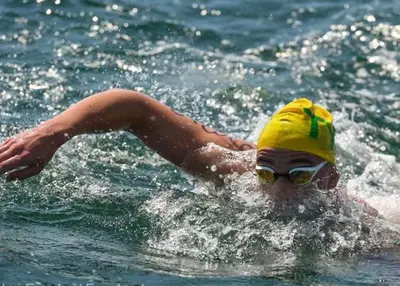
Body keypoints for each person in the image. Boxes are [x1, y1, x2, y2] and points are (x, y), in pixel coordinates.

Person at [0, 89, 378, 215]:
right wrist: (50, 133)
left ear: (329, 178)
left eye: (297, 175)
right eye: (266, 171)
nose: (277, 188)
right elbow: (136, 109)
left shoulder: (362, 224)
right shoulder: (233, 168)